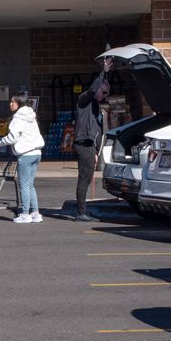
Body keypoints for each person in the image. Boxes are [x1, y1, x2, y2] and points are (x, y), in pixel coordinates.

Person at [67, 58, 112, 221]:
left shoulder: (95, 107)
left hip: (89, 147)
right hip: (83, 144)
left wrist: (95, 150)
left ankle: (83, 210)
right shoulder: (84, 100)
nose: (105, 96)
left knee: (86, 178)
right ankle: (80, 212)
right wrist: (104, 72)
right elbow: (93, 90)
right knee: (84, 179)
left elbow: (97, 131)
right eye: (104, 92)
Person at [0, 91, 45, 223]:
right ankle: (35, 213)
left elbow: (13, 137)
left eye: (13, 101)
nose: (10, 103)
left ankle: (25, 214)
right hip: (36, 153)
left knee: (24, 185)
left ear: (19, 103)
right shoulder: (31, 116)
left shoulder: (17, 118)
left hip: (25, 154)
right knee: (30, 185)